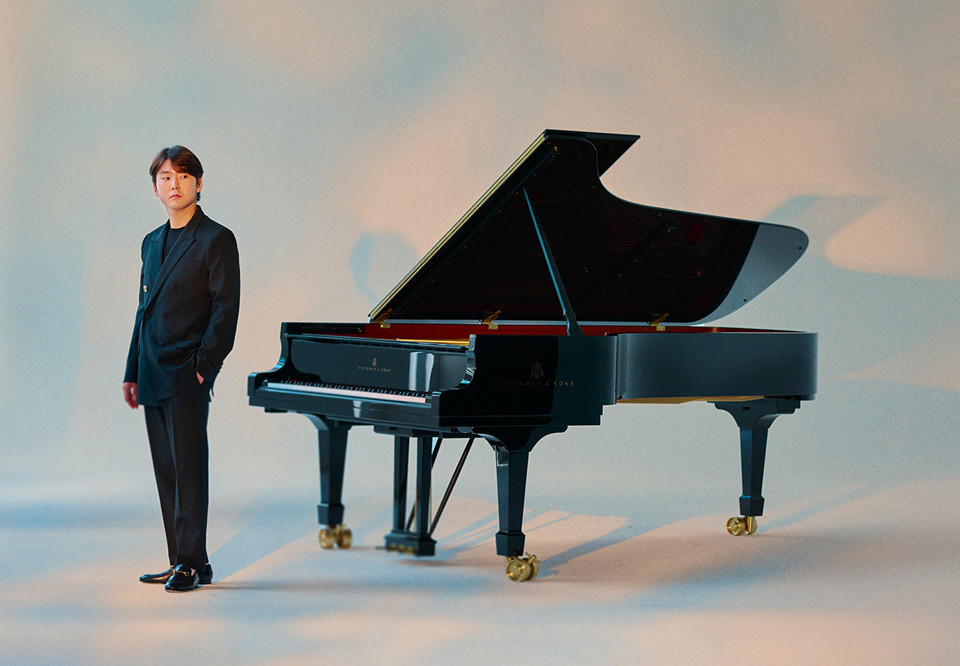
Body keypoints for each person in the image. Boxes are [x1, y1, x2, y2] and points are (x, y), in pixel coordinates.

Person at [122, 145, 240, 592]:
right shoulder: (151, 242)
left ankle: (190, 561)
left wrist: (204, 367)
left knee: (189, 466)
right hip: (151, 368)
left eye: (183, 176)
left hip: (187, 369)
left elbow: (226, 308)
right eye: (166, 178)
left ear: (199, 183)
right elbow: (143, 310)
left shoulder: (215, 239)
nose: (174, 184)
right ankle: (183, 561)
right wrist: (132, 369)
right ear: (156, 188)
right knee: (167, 469)